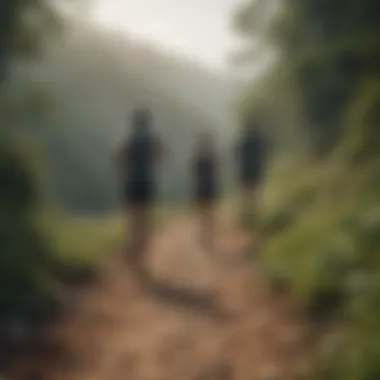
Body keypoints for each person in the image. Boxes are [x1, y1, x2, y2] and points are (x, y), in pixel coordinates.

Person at [114, 107, 164, 267]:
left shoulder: (129, 139)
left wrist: (127, 169)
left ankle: (133, 248)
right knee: (145, 216)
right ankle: (142, 250)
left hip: (131, 181)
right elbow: (161, 155)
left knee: (132, 217)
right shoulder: (151, 139)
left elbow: (118, 157)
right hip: (146, 181)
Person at [234, 120, 267, 227]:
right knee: (255, 193)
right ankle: (255, 214)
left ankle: (247, 215)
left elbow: (237, 154)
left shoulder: (243, 141)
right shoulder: (258, 140)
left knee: (246, 194)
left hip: (245, 170)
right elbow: (263, 153)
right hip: (256, 169)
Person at [191, 132, 219, 249]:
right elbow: (216, 170)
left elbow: (193, 171)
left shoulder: (198, 157)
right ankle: (210, 237)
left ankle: (203, 237)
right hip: (210, 186)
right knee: (210, 212)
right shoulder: (211, 156)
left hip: (201, 187)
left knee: (203, 213)